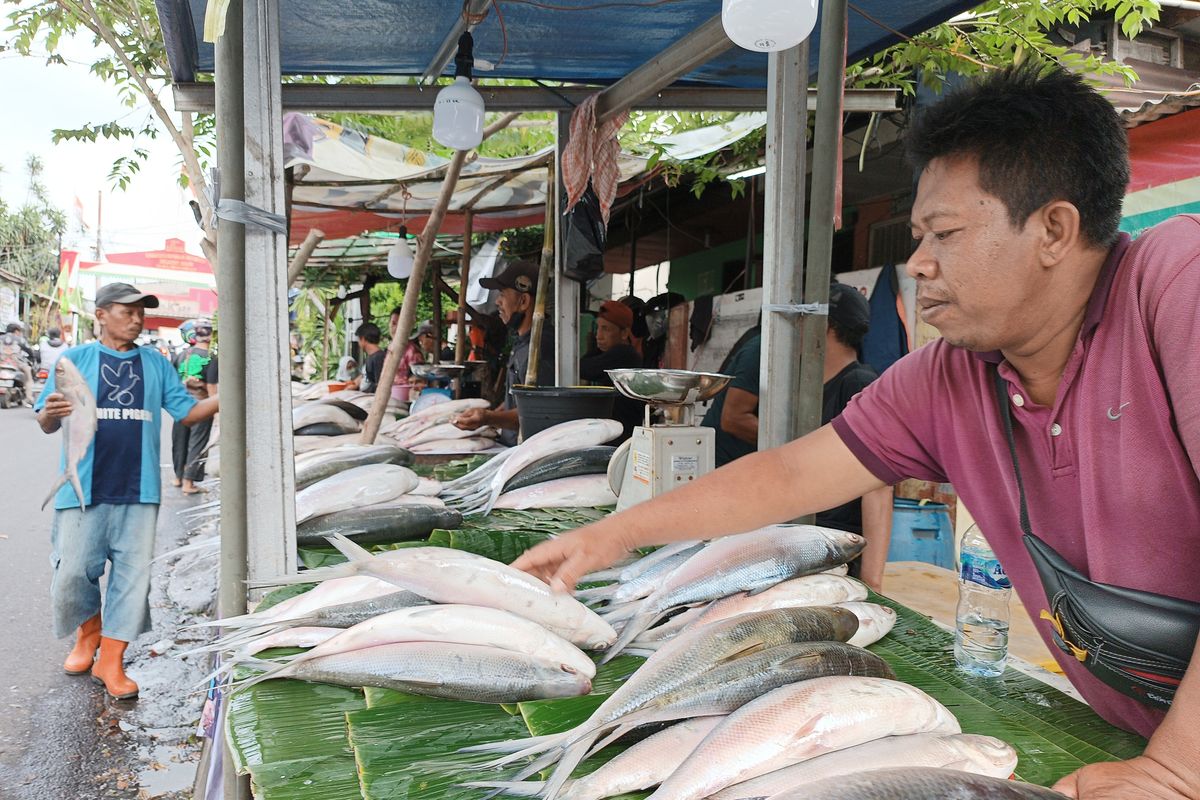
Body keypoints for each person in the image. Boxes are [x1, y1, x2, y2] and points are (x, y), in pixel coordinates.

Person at [512, 64, 1200, 798]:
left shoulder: (1173, 280)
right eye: (917, 235)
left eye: (946, 233)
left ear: (1055, 230)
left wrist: (1175, 767)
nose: (918, 264)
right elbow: (788, 476)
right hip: (1136, 735)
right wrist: (612, 537)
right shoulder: (948, 377)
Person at [35, 282, 220, 700]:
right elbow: (47, 421)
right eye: (127, 311)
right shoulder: (75, 360)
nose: (137, 319)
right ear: (101, 314)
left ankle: (111, 659)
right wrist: (49, 412)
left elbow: (187, 413)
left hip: (140, 489)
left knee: (132, 579)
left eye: (141, 313)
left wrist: (232, 395)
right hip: (82, 487)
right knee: (71, 573)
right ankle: (89, 634)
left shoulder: (156, 364)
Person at [699, 283, 893, 587]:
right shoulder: (811, 385)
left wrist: (872, 582)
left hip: (829, 547)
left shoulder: (858, 382)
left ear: (825, 326)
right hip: (796, 532)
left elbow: (878, 489)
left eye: (800, 321)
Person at [452, 260, 554, 445]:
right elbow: (514, 404)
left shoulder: (540, 347)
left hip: (525, 452)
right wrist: (491, 415)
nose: (497, 301)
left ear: (523, 301)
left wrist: (487, 418)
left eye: (502, 294)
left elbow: (534, 414)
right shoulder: (522, 342)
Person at [580, 300, 644, 440]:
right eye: (598, 328)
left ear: (624, 333)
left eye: (606, 329)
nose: (599, 335)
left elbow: (583, 368)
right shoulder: (610, 353)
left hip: (622, 436)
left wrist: (592, 348)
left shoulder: (625, 355)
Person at [170, 319, 218, 494]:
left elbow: (173, 379)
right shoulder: (211, 358)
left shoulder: (182, 355)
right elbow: (212, 387)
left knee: (179, 441)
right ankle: (188, 483)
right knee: (197, 443)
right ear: (210, 335)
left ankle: (178, 477)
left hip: (181, 404)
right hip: (201, 404)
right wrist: (216, 410)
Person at [385, 313, 435, 404]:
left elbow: (420, 381)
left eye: (400, 324)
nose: (396, 328)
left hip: (405, 399)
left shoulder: (412, 351)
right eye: (393, 323)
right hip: (389, 396)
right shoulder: (390, 348)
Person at [1, 322, 35, 404]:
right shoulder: (19, 339)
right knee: (28, 377)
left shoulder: (0, 337)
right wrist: (32, 359)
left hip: (1, 363)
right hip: (16, 364)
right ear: (16, 331)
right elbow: (30, 351)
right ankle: (29, 397)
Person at [347, 322, 385, 392]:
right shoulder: (371, 357)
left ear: (363, 339)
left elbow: (379, 384)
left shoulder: (379, 357)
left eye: (359, 339)